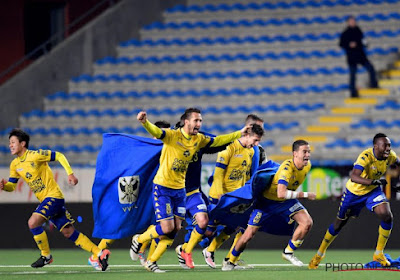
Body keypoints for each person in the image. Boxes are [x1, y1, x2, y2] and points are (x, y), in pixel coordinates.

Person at [130, 108, 250, 272]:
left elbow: (219, 141)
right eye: (196, 120)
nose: (199, 124)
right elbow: (157, 132)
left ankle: (153, 261)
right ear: (186, 122)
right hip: (163, 187)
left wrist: (239, 134)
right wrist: (145, 122)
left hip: (181, 190)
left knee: (176, 228)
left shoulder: (199, 139)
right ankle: (140, 239)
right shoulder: (172, 135)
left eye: (200, 121)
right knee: (166, 227)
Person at [0, 129, 110, 271]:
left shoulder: (35, 156)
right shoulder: (14, 165)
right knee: (68, 232)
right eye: (9, 143)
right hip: (48, 200)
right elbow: (12, 186)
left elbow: (59, 155)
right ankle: (100, 253)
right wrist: (4, 186)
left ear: (23, 144)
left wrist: (70, 174)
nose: (10, 145)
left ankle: (46, 256)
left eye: (13, 142)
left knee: (33, 223)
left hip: (53, 197)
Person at [88, 120, 172, 271]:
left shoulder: (170, 148)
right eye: (163, 133)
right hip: (139, 191)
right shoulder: (146, 149)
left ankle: (149, 259)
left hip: (157, 192)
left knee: (158, 223)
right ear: (155, 135)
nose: (167, 136)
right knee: (122, 220)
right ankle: (96, 255)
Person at [309, 133, 400, 269]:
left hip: (372, 191)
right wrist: (373, 181)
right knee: (339, 225)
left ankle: (378, 253)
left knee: (387, 216)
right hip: (354, 193)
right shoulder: (366, 157)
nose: (388, 148)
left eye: (389, 145)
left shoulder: (390, 155)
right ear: (376, 146)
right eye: (384, 145)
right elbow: (354, 176)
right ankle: (319, 254)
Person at [225, 140, 316, 270]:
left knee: (307, 222)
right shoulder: (286, 169)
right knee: (248, 234)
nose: (307, 155)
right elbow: (281, 193)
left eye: (309, 152)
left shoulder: (307, 166)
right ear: (295, 154)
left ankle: (288, 252)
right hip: (266, 203)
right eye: (304, 152)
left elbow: (285, 194)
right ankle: (231, 261)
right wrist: (305, 195)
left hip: (286, 202)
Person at [202, 124, 264, 270]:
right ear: (247, 134)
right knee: (207, 229)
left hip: (236, 197)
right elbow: (218, 174)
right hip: (222, 196)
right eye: (255, 140)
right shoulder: (228, 148)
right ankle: (184, 249)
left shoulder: (250, 152)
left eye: (258, 141)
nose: (256, 145)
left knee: (235, 226)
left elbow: (245, 175)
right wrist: (219, 194)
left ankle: (214, 253)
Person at [339, 15, 378, 98]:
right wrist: (349, 45)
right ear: (348, 22)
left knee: (371, 68)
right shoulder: (345, 33)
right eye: (351, 21)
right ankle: (353, 93)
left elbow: (363, 40)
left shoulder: (358, 30)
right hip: (352, 57)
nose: (353, 22)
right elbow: (341, 44)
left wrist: (365, 44)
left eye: (354, 21)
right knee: (353, 75)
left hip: (361, 55)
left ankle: (374, 84)